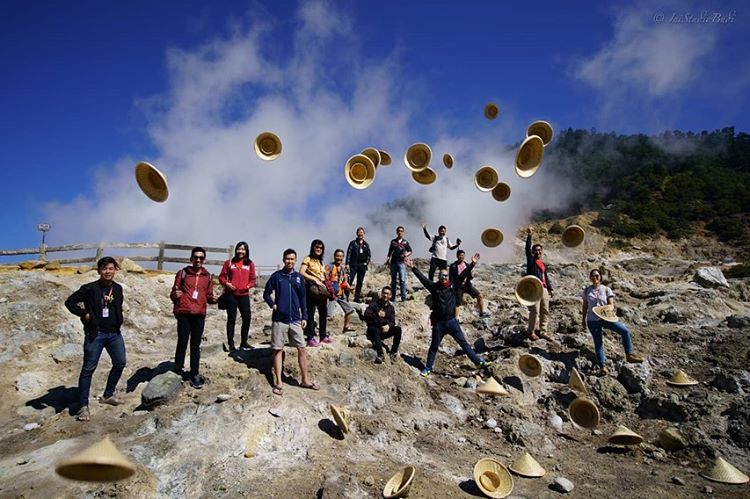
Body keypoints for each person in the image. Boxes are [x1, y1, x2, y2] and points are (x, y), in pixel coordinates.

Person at [406, 255, 492, 377]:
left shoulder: (453, 286)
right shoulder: (434, 287)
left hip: (452, 322)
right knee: (434, 347)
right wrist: (413, 267)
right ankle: (428, 368)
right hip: (439, 324)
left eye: (446, 275)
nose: (444, 277)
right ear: (439, 277)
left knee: (464, 344)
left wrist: (472, 264)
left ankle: (478, 362)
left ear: (448, 277)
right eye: (442, 275)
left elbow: (462, 275)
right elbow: (423, 279)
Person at [65, 256, 127, 421]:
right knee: (88, 369)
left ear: (115, 270)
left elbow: (117, 306)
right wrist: (84, 314)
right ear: (99, 270)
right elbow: (70, 302)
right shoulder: (89, 288)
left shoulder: (118, 289)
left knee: (120, 362)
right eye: (105, 268)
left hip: (114, 333)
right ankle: (83, 406)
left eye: (111, 268)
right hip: (96, 334)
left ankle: (107, 395)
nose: (108, 272)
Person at [263, 248, 320, 395]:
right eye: (287, 259)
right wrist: (272, 304)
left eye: (292, 259)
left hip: (295, 318)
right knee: (278, 349)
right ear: (283, 260)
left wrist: (305, 317)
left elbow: (303, 299)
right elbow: (266, 293)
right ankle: (279, 382)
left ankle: (305, 380)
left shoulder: (299, 278)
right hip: (279, 319)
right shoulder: (277, 276)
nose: (290, 261)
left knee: (302, 348)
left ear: (295, 260)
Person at [170, 247, 218, 389]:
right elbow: (174, 292)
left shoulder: (208, 277)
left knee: (195, 345)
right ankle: (178, 370)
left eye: (201, 258)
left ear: (204, 260)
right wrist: (175, 295)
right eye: (196, 257)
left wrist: (214, 299)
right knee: (182, 342)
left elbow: (209, 296)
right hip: (184, 312)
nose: (198, 260)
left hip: (199, 314)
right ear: (191, 259)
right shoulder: (183, 273)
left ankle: (194, 373)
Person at [582, 269, 644, 375]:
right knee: (598, 343)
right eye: (592, 276)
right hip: (592, 320)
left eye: (597, 275)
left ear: (600, 277)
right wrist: (583, 319)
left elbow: (611, 304)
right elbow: (585, 306)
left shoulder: (606, 289)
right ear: (590, 278)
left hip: (606, 318)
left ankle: (629, 354)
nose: (594, 277)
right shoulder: (587, 290)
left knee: (625, 331)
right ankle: (603, 366)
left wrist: (604, 311)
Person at [219, 241, 257, 352]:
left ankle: (244, 342)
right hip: (231, 295)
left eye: (243, 249)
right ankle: (231, 344)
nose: (241, 251)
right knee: (231, 319)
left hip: (244, 295)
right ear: (236, 250)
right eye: (239, 249)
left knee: (247, 318)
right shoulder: (229, 263)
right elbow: (221, 277)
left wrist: (248, 286)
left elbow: (253, 279)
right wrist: (227, 284)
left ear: (246, 251)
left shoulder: (250, 264)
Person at [300, 239, 330, 346]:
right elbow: (302, 272)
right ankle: (310, 337)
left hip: (321, 290)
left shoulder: (321, 262)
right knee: (310, 313)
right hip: (311, 288)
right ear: (313, 248)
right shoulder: (308, 259)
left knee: (323, 313)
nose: (319, 249)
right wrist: (314, 279)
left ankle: (323, 336)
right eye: (317, 247)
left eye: (321, 248)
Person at [525, 228, 554, 340]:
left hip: (544, 288)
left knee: (545, 310)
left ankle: (543, 331)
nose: (538, 252)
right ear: (533, 252)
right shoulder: (531, 261)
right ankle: (530, 331)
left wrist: (550, 288)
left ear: (542, 251)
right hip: (534, 288)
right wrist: (529, 235)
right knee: (535, 310)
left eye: (539, 250)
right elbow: (527, 249)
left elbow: (545, 276)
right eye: (536, 250)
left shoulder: (542, 263)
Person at [363, 286, 402, 364]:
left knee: (398, 329)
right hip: (373, 329)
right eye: (384, 293)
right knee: (374, 329)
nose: (385, 295)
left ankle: (393, 353)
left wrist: (388, 326)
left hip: (383, 330)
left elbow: (392, 321)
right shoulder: (374, 304)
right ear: (381, 294)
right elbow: (366, 315)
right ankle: (380, 354)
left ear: (390, 296)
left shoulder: (391, 308)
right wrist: (377, 314)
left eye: (387, 294)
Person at [450, 249, 489, 319]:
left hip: (467, 285)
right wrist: (451, 286)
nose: (461, 257)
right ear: (457, 256)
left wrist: (471, 274)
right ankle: (456, 319)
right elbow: (451, 277)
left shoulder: (466, 265)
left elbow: (469, 274)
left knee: (479, 295)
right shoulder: (453, 266)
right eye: (460, 255)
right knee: (457, 303)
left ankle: (481, 313)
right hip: (458, 286)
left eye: (463, 255)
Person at [327, 249, 356, 333]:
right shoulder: (329, 267)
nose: (339, 258)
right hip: (331, 294)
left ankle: (346, 327)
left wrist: (349, 288)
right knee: (328, 314)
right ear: (334, 256)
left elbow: (344, 282)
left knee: (350, 310)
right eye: (337, 256)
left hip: (340, 294)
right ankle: (322, 330)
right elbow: (325, 279)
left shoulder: (343, 269)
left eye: (341, 256)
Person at [386, 226, 413, 302]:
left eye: (401, 231)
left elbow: (410, 251)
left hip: (402, 263)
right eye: (398, 231)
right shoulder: (393, 241)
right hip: (393, 262)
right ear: (396, 232)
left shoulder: (405, 242)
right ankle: (393, 297)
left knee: (402, 281)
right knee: (393, 281)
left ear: (403, 232)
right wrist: (388, 259)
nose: (400, 232)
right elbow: (390, 251)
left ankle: (403, 298)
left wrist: (406, 255)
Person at [345, 227, 371, 302]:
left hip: (362, 266)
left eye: (362, 232)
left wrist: (366, 263)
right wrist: (347, 263)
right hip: (353, 265)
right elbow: (348, 253)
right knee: (350, 281)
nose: (360, 234)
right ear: (357, 234)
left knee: (360, 282)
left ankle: (357, 297)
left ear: (364, 234)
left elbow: (369, 255)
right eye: (359, 232)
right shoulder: (353, 243)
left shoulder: (366, 244)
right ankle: (346, 296)